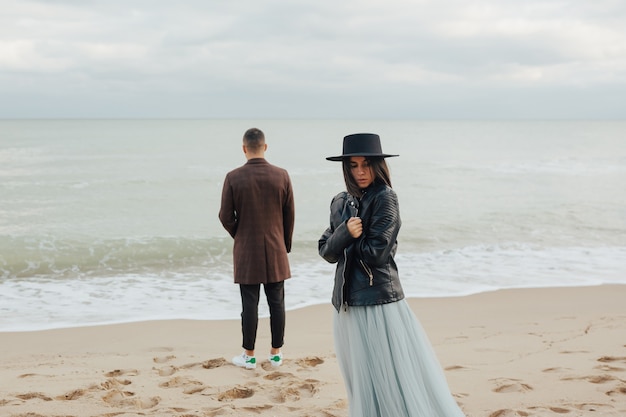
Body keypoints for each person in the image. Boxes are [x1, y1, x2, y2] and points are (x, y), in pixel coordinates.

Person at [318, 133, 466, 416]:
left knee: (389, 376)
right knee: (362, 379)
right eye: (353, 165)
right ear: (345, 168)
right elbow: (326, 250)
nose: (360, 172)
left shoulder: (385, 198)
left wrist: (348, 239)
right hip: (346, 303)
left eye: (366, 164)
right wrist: (344, 233)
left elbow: (377, 253)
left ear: (378, 165)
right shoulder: (339, 201)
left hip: (379, 302)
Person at [219, 127, 295, 370]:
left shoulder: (233, 177)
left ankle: (249, 356)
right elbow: (289, 214)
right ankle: (275, 354)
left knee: (249, 305)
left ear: (244, 149)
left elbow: (224, 216)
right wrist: (285, 245)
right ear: (265, 147)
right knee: (277, 303)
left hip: (247, 251)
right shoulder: (282, 175)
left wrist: (239, 234)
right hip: (276, 249)